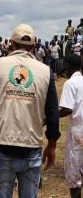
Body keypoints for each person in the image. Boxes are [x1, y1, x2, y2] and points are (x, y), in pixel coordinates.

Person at [0, 23, 60, 198]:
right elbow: (53, 114)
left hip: (4, 149)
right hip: (32, 150)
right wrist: (51, 146)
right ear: (34, 47)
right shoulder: (46, 72)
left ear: (11, 44)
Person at [59, 54, 83, 198]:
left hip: (77, 132)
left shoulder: (70, 83)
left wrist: (50, 117)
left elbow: (67, 109)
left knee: (74, 177)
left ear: (69, 66)